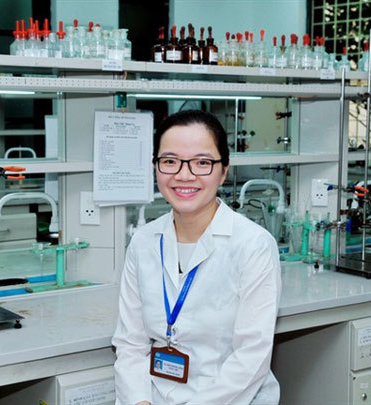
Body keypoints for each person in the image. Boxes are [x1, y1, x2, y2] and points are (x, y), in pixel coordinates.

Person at [112, 110, 281, 405]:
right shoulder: (142, 242)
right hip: (154, 397)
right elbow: (130, 342)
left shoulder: (253, 245)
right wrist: (140, 402)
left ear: (224, 170)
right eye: (170, 161)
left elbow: (251, 356)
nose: (184, 174)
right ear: (156, 167)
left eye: (202, 162)